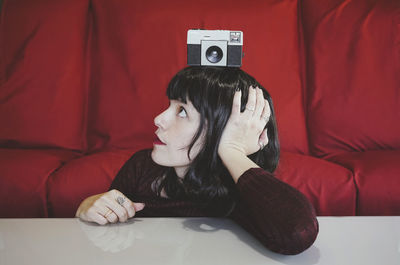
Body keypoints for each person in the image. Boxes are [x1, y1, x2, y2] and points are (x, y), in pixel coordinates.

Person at [76, 66, 319, 255]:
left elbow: (298, 232)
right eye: (169, 105)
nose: (158, 118)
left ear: (224, 131)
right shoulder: (142, 166)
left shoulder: (241, 190)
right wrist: (89, 206)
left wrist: (232, 151)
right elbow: (104, 229)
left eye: (182, 111)